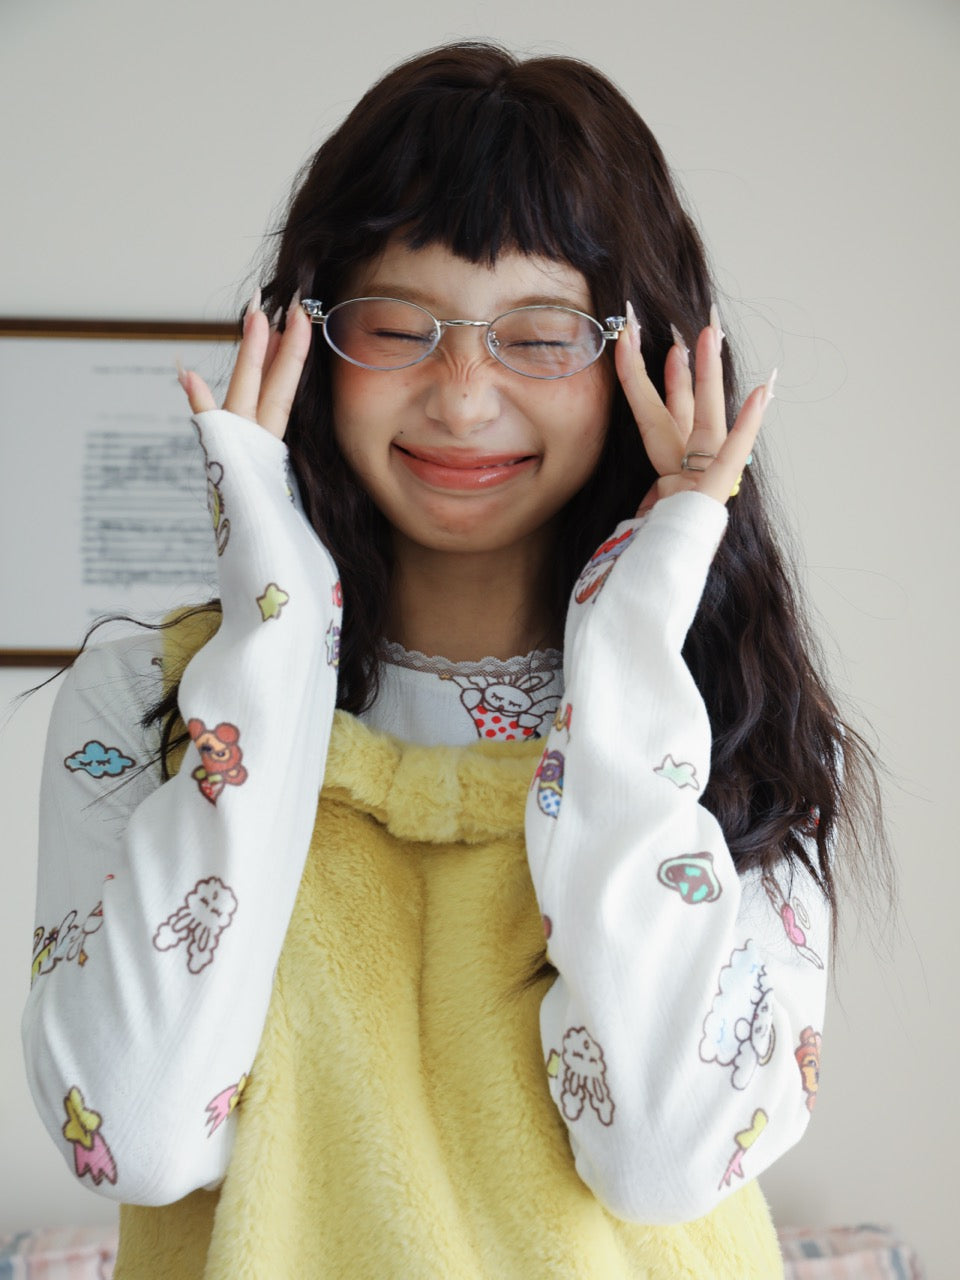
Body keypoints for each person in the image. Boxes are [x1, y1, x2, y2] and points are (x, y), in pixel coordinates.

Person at [22, 41, 881, 1278]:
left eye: (542, 337)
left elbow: (662, 1155)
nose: (465, 399)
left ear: (651, 364)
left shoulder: (731, 725)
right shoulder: (149, 701)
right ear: (312, 339)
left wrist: (634, 637)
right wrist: (275, 628)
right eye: (400, 326)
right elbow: (141, 1136)